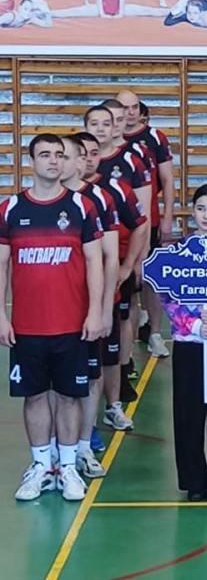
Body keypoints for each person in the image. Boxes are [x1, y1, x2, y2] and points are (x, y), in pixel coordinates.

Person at [1, 134, 104, 502]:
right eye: (45, 155)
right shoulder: (10, 209)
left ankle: (69, 467)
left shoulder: (81, 206)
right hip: (27, 327)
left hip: (71, 325)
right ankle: (42, 466)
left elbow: (94, 261)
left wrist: (95, 311)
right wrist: (1, 316)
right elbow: (1, 265)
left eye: (59, 155)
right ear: (32, 161)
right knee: (33, 397)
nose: (53, 161)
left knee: (69, 396)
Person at [160, 184, 207, 502]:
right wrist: (192, 323)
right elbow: (168, 295)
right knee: (188, 412)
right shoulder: (178, 253)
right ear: (192, 212)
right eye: (201, 209)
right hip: (189, 344)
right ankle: (194, 480)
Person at [79, 131, 148, 433]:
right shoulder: (64, 197)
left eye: (93, 154)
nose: (88, 160)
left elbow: (140, 225)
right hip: (74, 294)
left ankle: (113, 406)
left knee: (109, 349)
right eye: (81, 154)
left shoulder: (112, 191)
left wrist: (128, 265)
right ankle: (82, 427)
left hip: (110, 285)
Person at [60, 134, 119, 479]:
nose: (60, 162)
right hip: (53, 313)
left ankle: (84, 443)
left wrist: (105, 307)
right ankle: (53, 454)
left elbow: (109, 257)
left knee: (90, 375)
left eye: (68, 156)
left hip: (88, 309)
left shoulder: (97, 200)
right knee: (51, 385)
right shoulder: (30, 204)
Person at [117, 90, 174, 359]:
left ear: (141, 110)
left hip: (147, 220)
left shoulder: (154, 138)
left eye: (134, 107)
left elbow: (168, 179)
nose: (130, 112)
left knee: (151, 277)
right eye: (124, 107)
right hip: (116, 227)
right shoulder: (108, 141)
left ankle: (155, 333)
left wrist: (167, 216)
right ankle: (127, 338)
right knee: (126, 279)